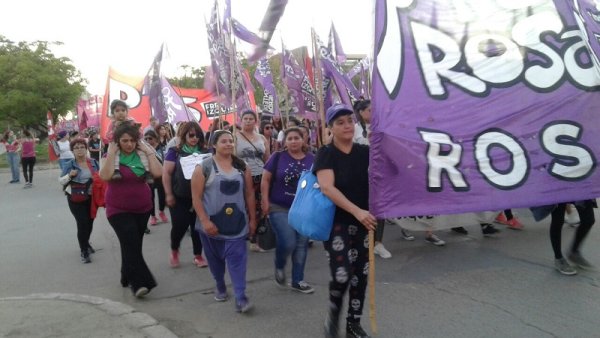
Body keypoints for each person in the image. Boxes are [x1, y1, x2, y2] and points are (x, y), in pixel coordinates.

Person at [315, 104, 376, 338]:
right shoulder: (326, 153)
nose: (347, 125)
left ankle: (353, 323)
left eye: (349, 120)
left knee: (361, 274)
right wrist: (357, 211)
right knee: (342, 274)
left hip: (364, 222)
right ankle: (333, 314)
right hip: (336, 222)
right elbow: (327, 188)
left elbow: (383, 177)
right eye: (340, 122)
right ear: (330, 127)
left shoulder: (365, 151)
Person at [191, 130, 257, 313]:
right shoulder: (203, 167)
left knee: (238, 261)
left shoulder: (242, 167)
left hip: (237, 224)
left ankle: (241, 297)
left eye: (231, 141)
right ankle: (220, 285)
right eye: (224, 141)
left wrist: (252, 220)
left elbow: (250, 194)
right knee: (215, 261)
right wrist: (205, 221)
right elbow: (196, 198)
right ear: (214, 145)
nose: (228, 144)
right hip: (211, 226)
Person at [99, 123, 162, 298]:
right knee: (131, 242)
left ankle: (125, 276)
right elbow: (104, 176)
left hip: (143, 209)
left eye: (133, 140)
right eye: (124, 141)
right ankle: (141, 283)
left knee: (132, 245)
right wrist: (111, 152)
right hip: (118, 209)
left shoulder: (142, 155)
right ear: (117, 142)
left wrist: (148, 150)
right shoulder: (111, 156)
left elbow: (158, 172)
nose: (129, 144)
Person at [261, 127, 315, 293]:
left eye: (296, 138)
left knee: (301, 244)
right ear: (284, 142)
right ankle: (279, 264)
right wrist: (264, 200)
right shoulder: (277, 157)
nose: (293, 141)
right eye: (290, 138)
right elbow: (266, 179)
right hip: (279, 207)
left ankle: (297, 280)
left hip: (304, 209)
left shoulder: (313, 159)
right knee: (289, 241)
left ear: (303, 140)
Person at [163, 122, 208, 268]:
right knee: (179, 226)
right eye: (191, 135)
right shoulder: (174, 152)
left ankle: (198, 255)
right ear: (184, 135)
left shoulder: (205, 151)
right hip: (180, 196)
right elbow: (166, 173)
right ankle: (174, 250)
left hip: (201, 197)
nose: (195, 138)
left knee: (198, 226)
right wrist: (168, 194)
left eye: (197, 135)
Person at [59, 138, 99, 263]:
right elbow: (61, 181)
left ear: (86, 149)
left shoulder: (93, 162)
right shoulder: (69, 164)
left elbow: (99, 177)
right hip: (75, 198)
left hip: (91, 197)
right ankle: (84, 251)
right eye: (76, 148)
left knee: (90, 222)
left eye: (82, 147)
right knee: (82, 223)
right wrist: (69, 175)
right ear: (72, 151)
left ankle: (86, 242)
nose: (79, 150)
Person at [235, 110, 270, 252]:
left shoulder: (262, 138)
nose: (248, 121)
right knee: (244, 206)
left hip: (260, 175)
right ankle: (243, 234)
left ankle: (255, 239)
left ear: (256, 121)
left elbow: (267, 158)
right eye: (245, 118)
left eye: (251, 118)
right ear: (241, 120)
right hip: (242, 175)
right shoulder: (234, 136)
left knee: (261, 206)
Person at [104, 100, 152, 183]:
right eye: (117, 111)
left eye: (123, 110)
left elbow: (140, 135)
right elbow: (108, 137)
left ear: (127, 112)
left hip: (133, 145)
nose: (121, 113)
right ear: (113, 113)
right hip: (117, 146)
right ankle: (116, 171)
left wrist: (135, 128)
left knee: (142, 153)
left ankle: (147, 172)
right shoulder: (112, 124)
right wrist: (115, 128)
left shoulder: (131, 122)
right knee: (115, 154)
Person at [546, 201, 596, 275]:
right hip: (558, 190)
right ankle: (558, 258)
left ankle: (574, 252)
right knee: (558, 220)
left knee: (589, 220)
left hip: (578, 189)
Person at [144, 130, 169, 226]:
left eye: (150, 138)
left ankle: (161, 212)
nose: (148, 140)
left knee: (162, 195)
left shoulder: (162, 148)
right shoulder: (144, 149)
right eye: (146, 138)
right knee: (151, 197)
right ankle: (153, 216)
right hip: (149, 175)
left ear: (155, 138)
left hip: (161, 174)